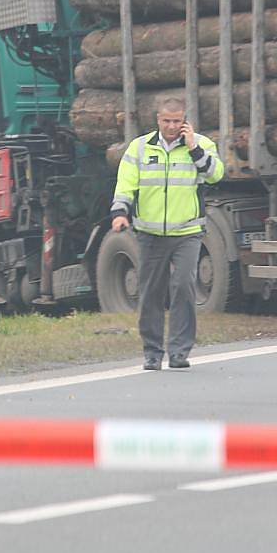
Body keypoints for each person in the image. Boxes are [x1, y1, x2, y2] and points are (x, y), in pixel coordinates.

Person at [110, 97, 224, 370]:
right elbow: (125, 184)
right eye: (166, 121)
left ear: (185, 120)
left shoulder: (202, 144)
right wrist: (119, 213)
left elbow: (216, 175)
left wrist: (194, 148)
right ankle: (152, 352)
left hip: (187, 231)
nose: (172, 126)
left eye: (177, 121)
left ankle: (179, 351)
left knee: (184, 285)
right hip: (149, 233)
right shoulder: (138, 148)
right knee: (151, 292)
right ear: (158, 120)